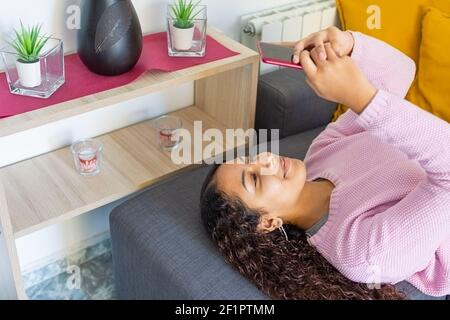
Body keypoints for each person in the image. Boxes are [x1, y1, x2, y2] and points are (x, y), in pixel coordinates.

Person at [200, 27, 450, 300]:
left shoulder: (321, 153)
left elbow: (401, 75)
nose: (266, 160)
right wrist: (360, 100)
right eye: (255, 179)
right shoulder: (361, 252)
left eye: (251, 158)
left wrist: (350, 45)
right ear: (268, 222)